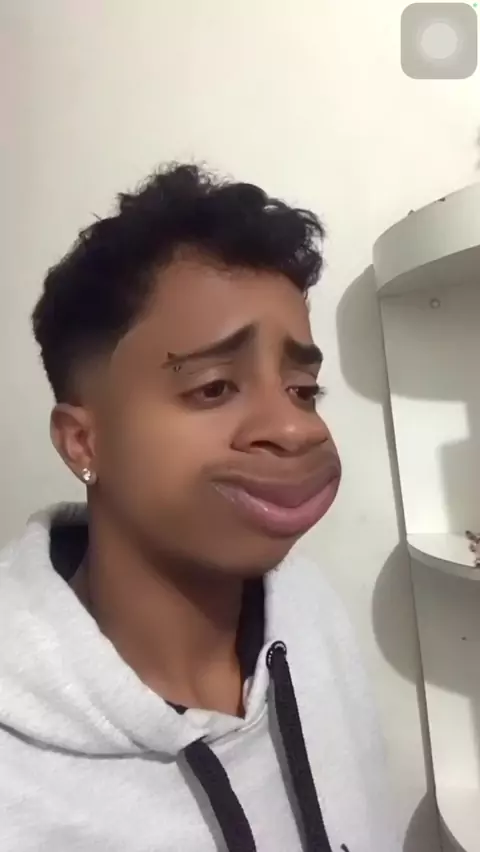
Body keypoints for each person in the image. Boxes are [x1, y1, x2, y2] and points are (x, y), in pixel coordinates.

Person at [0, 164, 400, 852]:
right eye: (214, 387)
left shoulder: (309, 611)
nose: (297, 428)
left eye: (304, 390)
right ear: (83, 442)